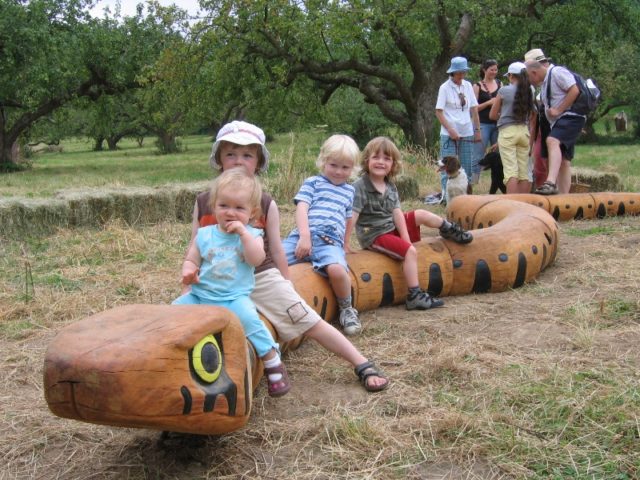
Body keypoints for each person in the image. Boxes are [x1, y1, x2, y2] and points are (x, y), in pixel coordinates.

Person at [187, 121, 388, 392]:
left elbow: (278, 249)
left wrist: (286, 281)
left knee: (306, 319)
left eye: (247, 155)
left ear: (257, 162)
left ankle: (360, 361)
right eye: (231, 154)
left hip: (260, 276)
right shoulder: (203, 201)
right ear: (219, 159)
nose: (238, 161)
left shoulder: (265, 203)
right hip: (217, 281)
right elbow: (195, 246)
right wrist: (191, 281)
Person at [173, 169, 291, 397]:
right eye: (224, 206)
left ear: (252, 212)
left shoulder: (252, 235)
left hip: (233, 298)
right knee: (175, 310)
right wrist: (188, 270)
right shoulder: (205, 234)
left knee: (249, 321)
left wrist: (243, 235)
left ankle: (272, 360)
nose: (231, 213)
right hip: (201, 295)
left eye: (239, 208)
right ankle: (170, 355)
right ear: (214, 206)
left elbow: (256, 259)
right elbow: (192, 258)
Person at [349, 137, 473, 311]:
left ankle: (448, 229)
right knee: (410, 252)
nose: (381, 162)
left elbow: (397, 213)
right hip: (376, 235)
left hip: (391, 227)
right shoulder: (359, 186)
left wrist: (406, 237)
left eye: (387, 158)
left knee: (420, 214)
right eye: (376, 157)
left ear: (393, 164)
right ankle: (414, 295)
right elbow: (352, 216)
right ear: (366, 160)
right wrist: (344, 243)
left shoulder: (390, 185)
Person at [282, 134, 362, 336]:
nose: (338, 171)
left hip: (330, 243)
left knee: (337, 270)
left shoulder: (349, 191)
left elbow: (347, 219)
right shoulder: (313, 182)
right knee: (274, 259)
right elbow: (302, 208)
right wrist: (304, 236)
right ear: (323, 161)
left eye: (345, 168)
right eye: (333, 165)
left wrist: (344, 244)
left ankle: (347, 308)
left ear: (353, 168)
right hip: (304, 236)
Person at [524, 48, 585, 195]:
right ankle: (564, 199)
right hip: (561, 121)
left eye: (529, 78)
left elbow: (574, 90)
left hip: (571, 116)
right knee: (564, 161)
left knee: (552, 141)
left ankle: (550, 182)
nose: (530, 82)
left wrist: (559, 109)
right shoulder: (545, 82)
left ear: (534, 72)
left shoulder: (557, 72)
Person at [435, 56, 482, 199]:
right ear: (452, 73)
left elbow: (474, 109)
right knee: (447, 166)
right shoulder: (444, 88)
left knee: (466, 165)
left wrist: (477, 130)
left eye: (464, 72)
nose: (462, 75)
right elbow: (438, 112)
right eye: (459, 72)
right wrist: (450, 129)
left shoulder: (468, 85)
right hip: (449, 133)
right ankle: (446, 196)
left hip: (466, 130)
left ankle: (466, 196)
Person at [489, 62, 536, 194]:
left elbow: (492, 115)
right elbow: (533, 114)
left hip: (508, 131)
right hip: (524, 131)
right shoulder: (530, 90)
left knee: (510, 171)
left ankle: (512, 204)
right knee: (524, 171)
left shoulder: (504, 91)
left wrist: (503, 115)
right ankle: (524, 203)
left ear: (510, 76)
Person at [473, 59, 502, 184]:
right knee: (478, 153)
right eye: (491, 70)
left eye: (496, 70)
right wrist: (489, 103)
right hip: (483, 123)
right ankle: (474, 181)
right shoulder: (477, 86)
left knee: (499, 154)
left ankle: (498, 180)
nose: (494, 72)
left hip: (497, 124)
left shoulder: (500, 84)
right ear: (484, 70)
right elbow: (473, 108)